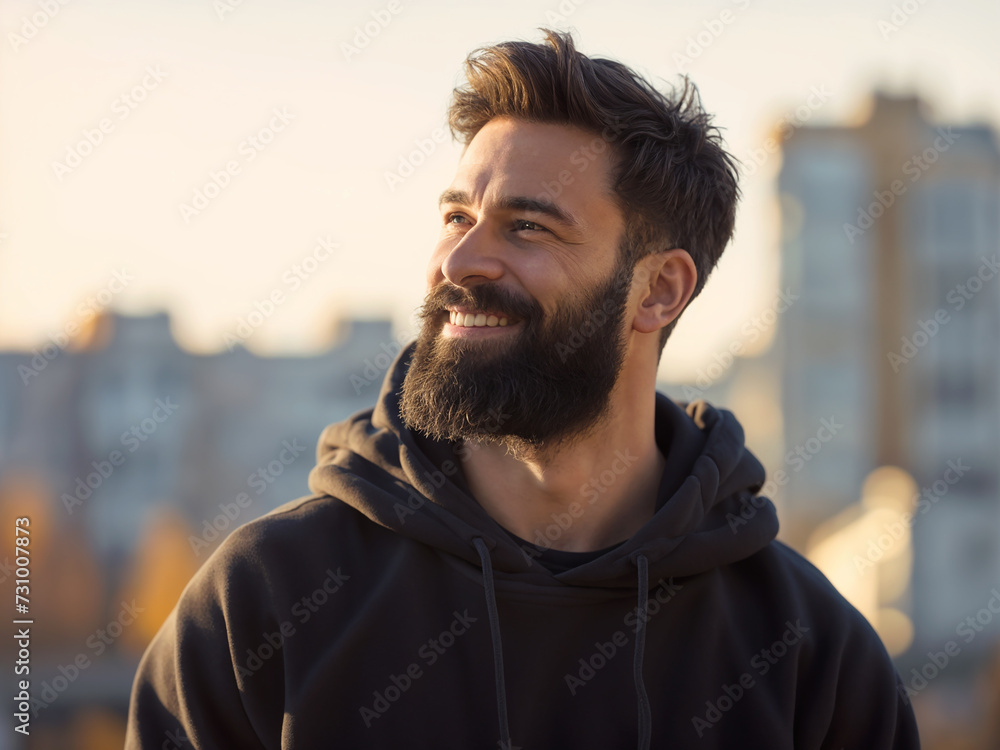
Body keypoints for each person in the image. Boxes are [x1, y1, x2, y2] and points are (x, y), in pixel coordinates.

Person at [125, 28, 921, 749]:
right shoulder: (265, 605)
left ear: (659, 292)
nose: (461, 262)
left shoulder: (809, 657)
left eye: (528, 226)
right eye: (456, 216)